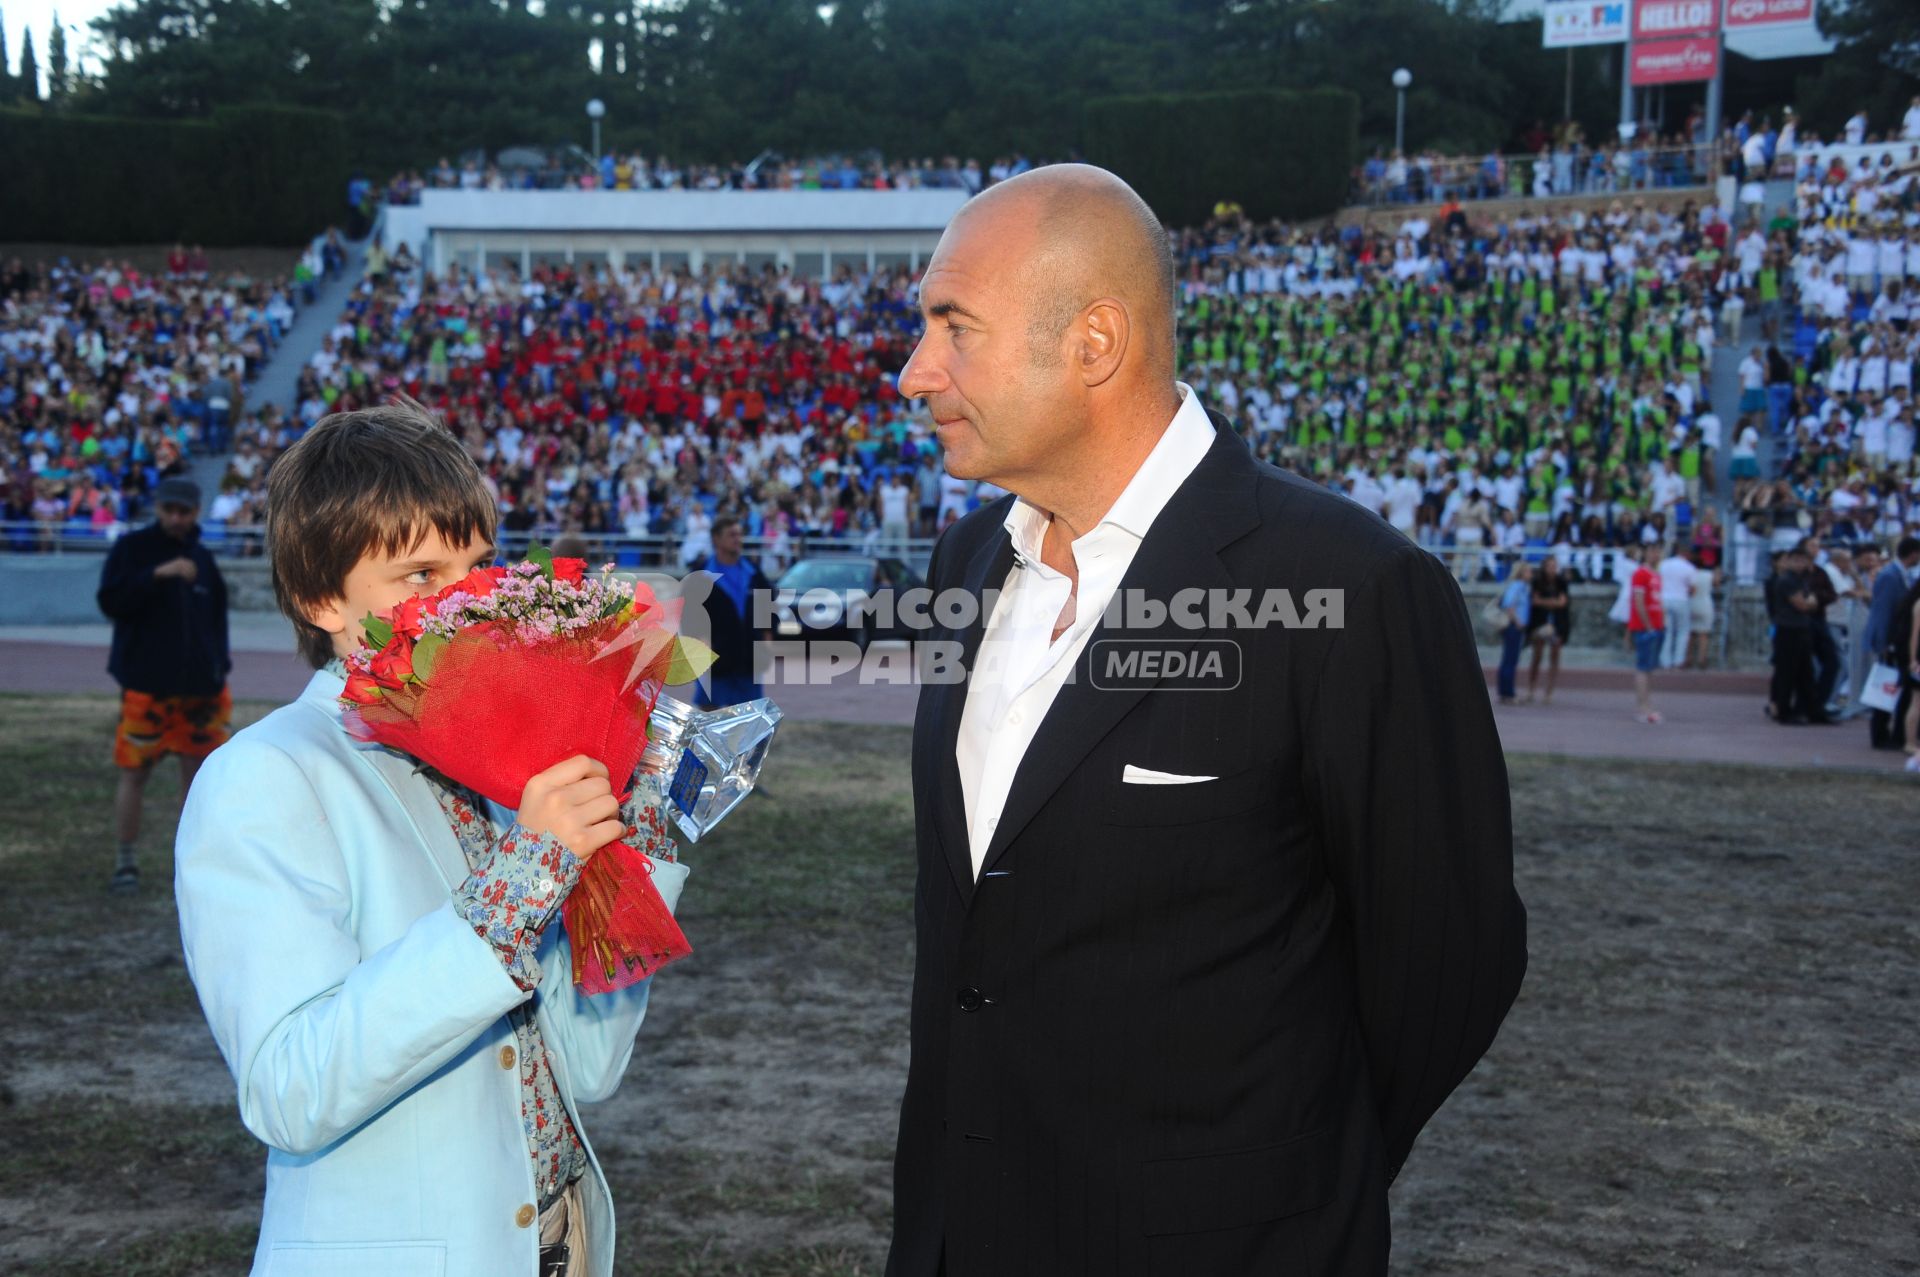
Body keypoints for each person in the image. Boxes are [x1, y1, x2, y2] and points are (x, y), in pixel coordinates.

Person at [888, 165, 1526, 1276]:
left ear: (1094, 344)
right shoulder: (965, 562)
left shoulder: (1350, 587)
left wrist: (1275, 1177)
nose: (915, 372)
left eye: (955, 327)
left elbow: (1448, 960)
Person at [174, 400, 687, 1277]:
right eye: (419, 574)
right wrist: (520, 883)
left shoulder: (498, 771)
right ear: (320, 598)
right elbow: (289, 1090)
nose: (464, 600)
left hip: (561, 1241)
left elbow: (589, 1066)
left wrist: (634, 837)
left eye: (481, 566)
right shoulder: (265, 775)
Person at [95, 476, 231, 895]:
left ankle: (194, 863)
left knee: (200, 781)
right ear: (158, 509)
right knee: (134, 774)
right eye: (169, 510)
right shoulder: (132, 549)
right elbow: (110, 602)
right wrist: (156, 575)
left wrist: (218, 666)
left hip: (201, 691)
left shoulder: (203, 558)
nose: (175, 518)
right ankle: (125, 861)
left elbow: (216, 619)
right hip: (146, 687)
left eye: (183, 511)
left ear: (195, 512)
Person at [694, 514, 774, 708]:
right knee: (709, 717)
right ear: (716, 539)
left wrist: (767, 644)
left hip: (748, 661)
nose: (738, 539)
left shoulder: (754, 573)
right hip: (716, 662)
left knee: (749, 719)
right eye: (731, 535)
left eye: (739, 534)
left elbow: (768, 610)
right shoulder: (700, 575)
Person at [1864, 536, 1920, 748]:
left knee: (1899, 691)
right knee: (1885, 690)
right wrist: (1886, 644)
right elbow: (1883, 612)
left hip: (1896, 641)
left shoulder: (1899, 574)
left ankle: (1898, 734)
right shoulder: (1890, 575)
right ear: (1913, 553)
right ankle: (1880, 736)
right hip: (1890, 643)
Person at [1627, 544, 1665, 724]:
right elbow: (1639, 601)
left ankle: (1647, 704)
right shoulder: (1641, 574)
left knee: (1649, 668)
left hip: (1656, 625)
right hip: (1645, 627)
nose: (1656, 554)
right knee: (1643, 667)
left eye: (1658, 551)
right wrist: (1648, 625)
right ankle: (1642, 707)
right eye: (1652, 551)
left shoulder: (1656, 575)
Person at [1527, 554, 1571, 703]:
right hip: (1540, 623)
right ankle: (1531, 688)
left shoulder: (1561, 582)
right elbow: (1535, 601)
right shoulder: (1537, 582)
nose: (1553, 569)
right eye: (1550, 566)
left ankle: (1549, 691)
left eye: (1554, 566)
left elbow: (1563, 603)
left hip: (1557, 624)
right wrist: (1554, 602)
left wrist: (1545, 602)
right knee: (1537, 657)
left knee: (1554, 656)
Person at [1657, 544, 1699, 669]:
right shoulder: (1689, 568)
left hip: (1664, 599)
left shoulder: (1664, 564)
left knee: (1667, 631)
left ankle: (1665, 661)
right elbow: (1692, 589)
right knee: (1682, 631)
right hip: (1681, 599)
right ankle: (1678, 660)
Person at [1496, 561, 1532, 705]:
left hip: (1516, 627)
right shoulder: (1517, 586)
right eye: (1528, 571)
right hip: (1513, 627)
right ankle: (1507, 692)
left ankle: (1506, 691)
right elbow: (1508, 604)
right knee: (1510, 659)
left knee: (1510, 659)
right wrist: (1518, 622)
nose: (1531, 574)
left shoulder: (1523, 587)